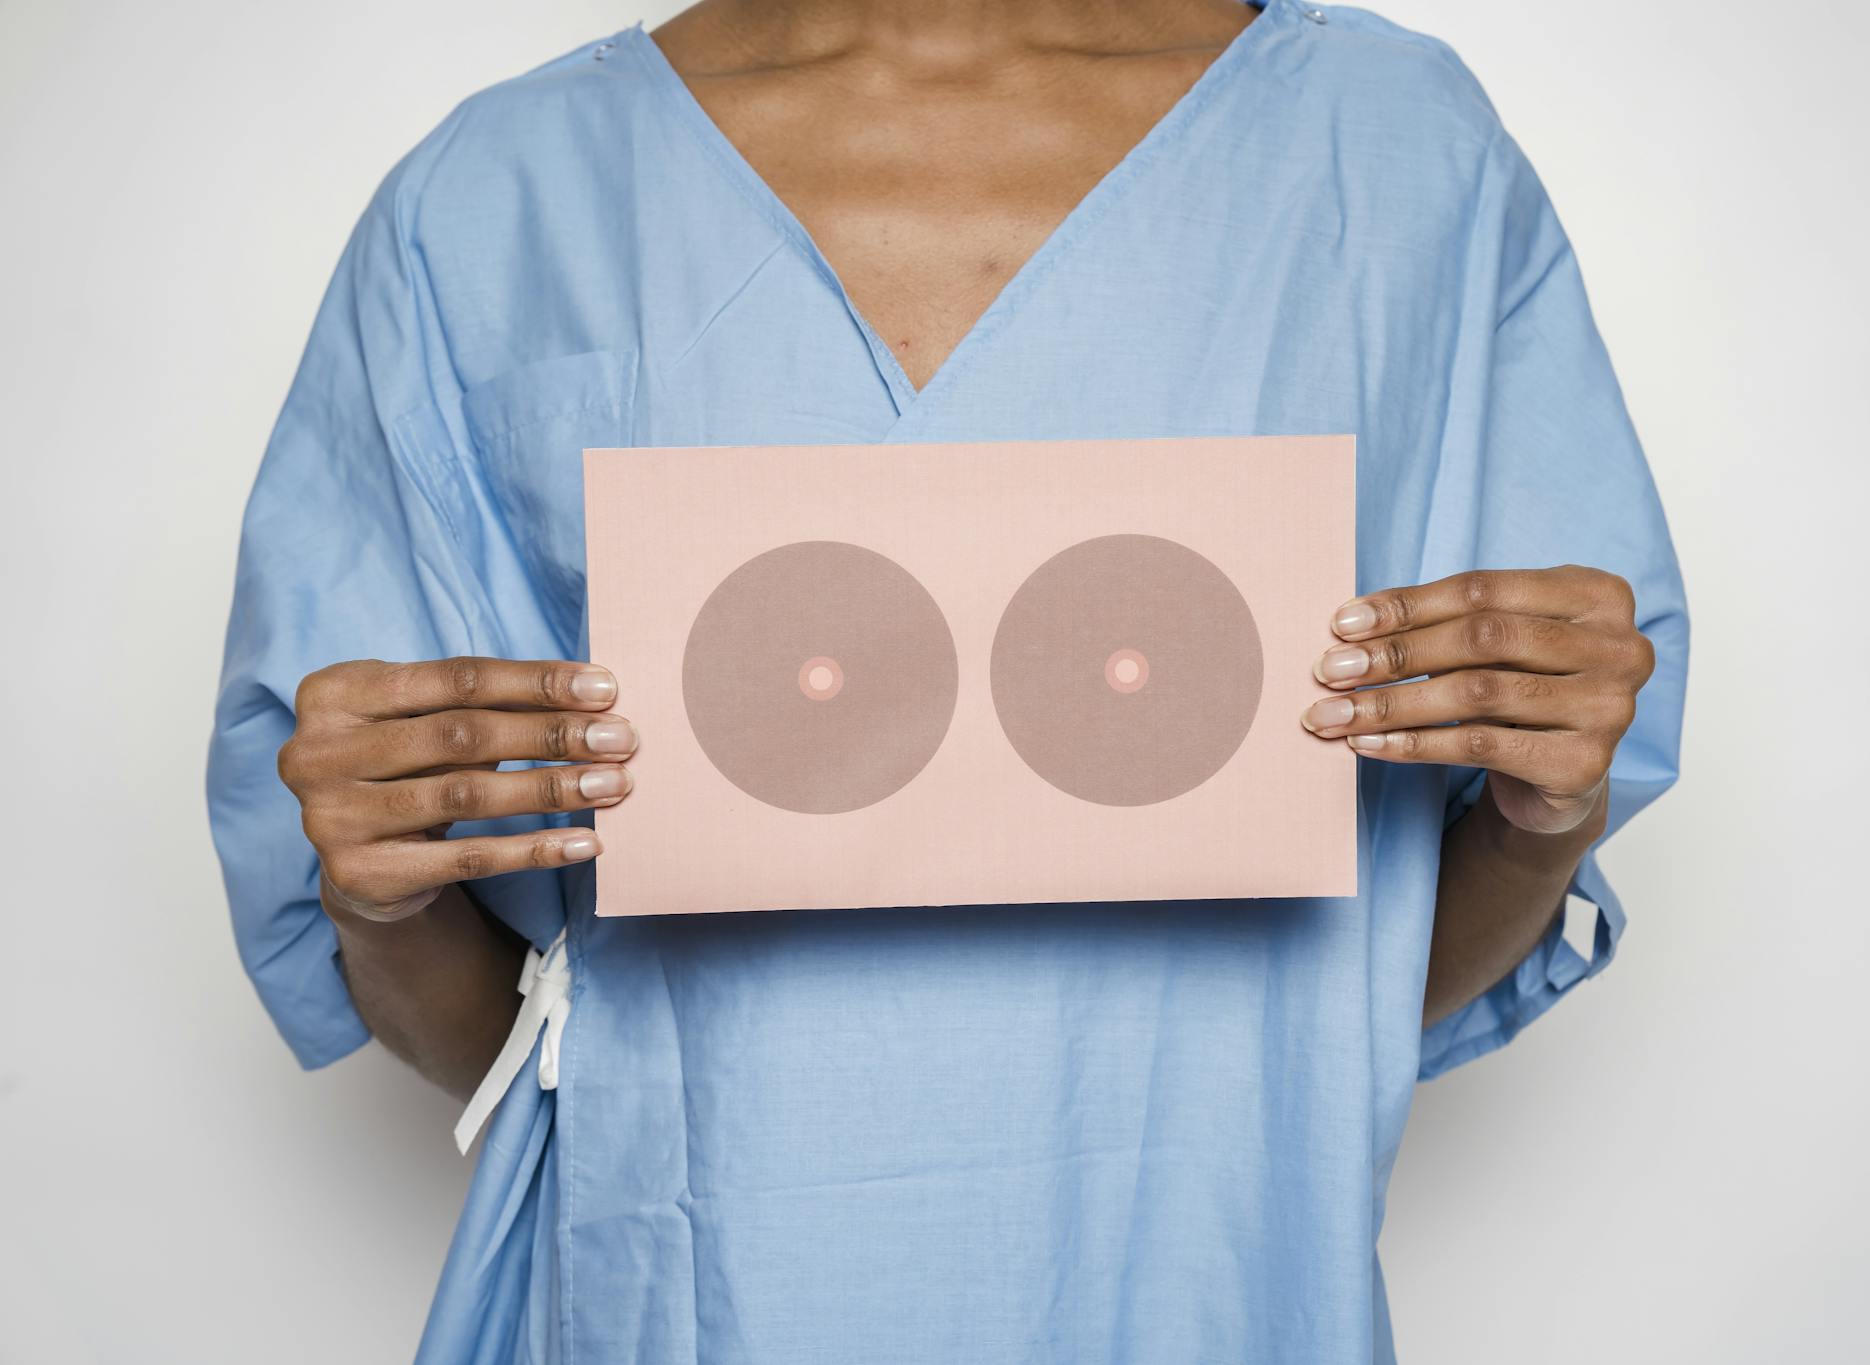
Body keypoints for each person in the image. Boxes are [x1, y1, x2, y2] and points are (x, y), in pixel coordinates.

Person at [205, 0, 1686, 1358]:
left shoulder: (1395, 152)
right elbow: (538, 1054)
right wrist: (379, 898)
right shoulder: (499, 199)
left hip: (1211, 1299)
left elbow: (1350, 1002)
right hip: (668, 1311)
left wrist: (1539, 818)